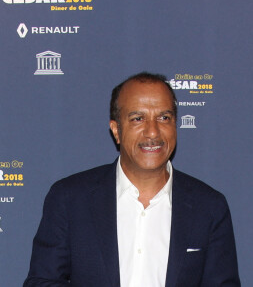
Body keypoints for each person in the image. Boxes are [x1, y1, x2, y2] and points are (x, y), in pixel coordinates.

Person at [24, 72, 240, 286]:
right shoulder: (70, 199)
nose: (153, 132)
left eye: (164, 118)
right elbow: (41, 282)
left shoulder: (209, 207)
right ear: (116, 130)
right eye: (138, 119)